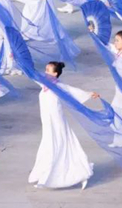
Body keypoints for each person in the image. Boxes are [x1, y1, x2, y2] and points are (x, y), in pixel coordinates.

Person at [29, 61, 99, 190]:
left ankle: (60, 175)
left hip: (56, 121)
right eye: (45, 69)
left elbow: (74, 92)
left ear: (55, 74)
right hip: (47, 121)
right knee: (49, 145)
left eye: (48, 70)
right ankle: (46, 173)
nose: (45, 72)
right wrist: (18, 60)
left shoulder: (59, 86)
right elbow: (31, 73)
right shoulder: (44, 84)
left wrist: (89, 94)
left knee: (58, 144)